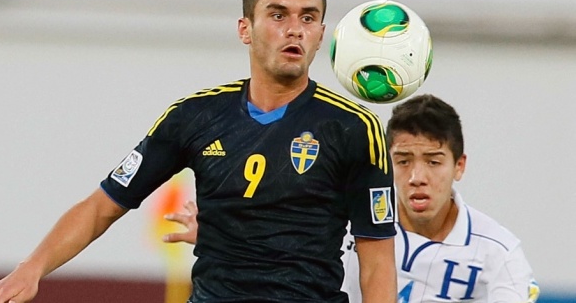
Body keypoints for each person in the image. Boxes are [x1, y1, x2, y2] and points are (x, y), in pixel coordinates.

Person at [0, 0, 397, 303]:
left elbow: (375, 258)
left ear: (321, 34)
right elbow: (103, 205)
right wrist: (31, 269)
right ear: (245, 29)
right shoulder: (195, 116)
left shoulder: (354, 128)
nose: (294, 30)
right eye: (277, 14)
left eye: (308, 18)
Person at [164, 94, 540, 302]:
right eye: (403, 161)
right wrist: (225, 233)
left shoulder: (498, 253)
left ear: (459, 166)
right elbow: (288, 253)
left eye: (434, 162)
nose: (417, 177)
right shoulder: (354, 229)